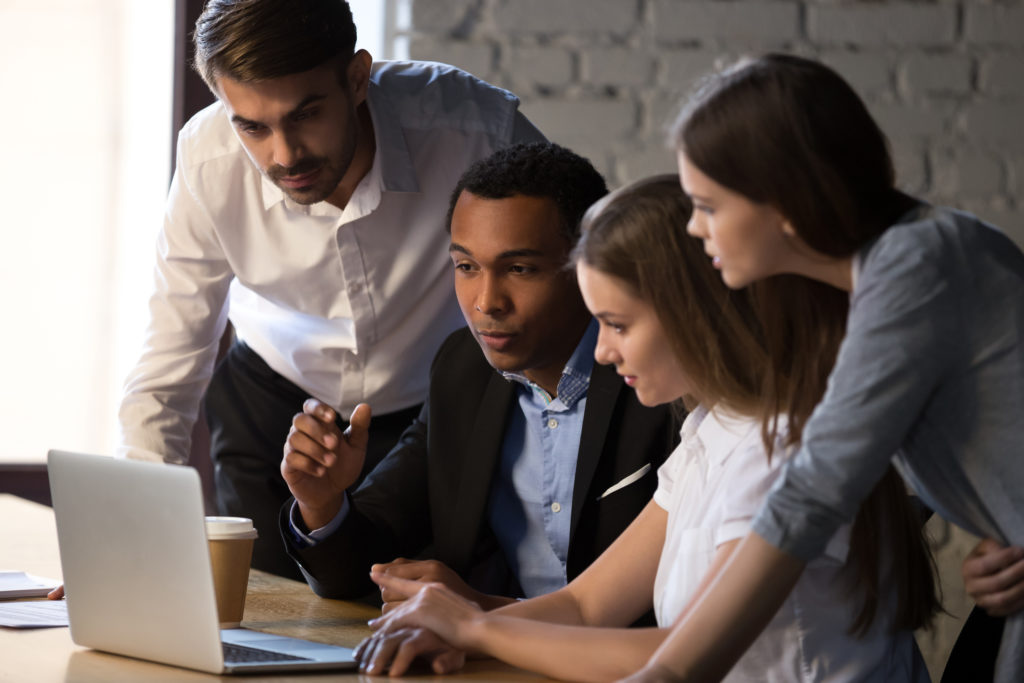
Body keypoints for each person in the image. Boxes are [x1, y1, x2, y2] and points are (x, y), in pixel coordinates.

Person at [351, 175, 938, 681]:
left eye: (617, 324)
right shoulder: (712, 427)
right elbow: (586, 604)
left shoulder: (776, 453)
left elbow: (677, 658)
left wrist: (476, 628)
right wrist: (455, 631)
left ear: (694, 315)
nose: (601, 352)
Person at [627, 53, 1024, 682]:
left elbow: (810, 497)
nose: (695, 228)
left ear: (784, 200)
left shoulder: (918, 265)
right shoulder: (878, 278)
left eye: (706, 204)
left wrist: (668, 672)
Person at [115, 0, 545, 579]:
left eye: (306, 114)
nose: (284, 154)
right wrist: (129, 536)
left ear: (357, 78)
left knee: (407, 625)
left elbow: (589, 257)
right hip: (271, 408)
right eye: (253, 126)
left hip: (431, 416)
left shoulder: (474, 127)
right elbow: (171, 356)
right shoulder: (208, 157)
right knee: (265, 620)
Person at [278, 142, 678, 610]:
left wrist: (476, 612)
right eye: (466, 267)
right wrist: (322, 503)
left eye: (520, 269)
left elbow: (673, 619)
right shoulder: (464, 369)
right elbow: (357, 570)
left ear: (589, 267)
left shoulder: (659, 379)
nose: (487, 302)